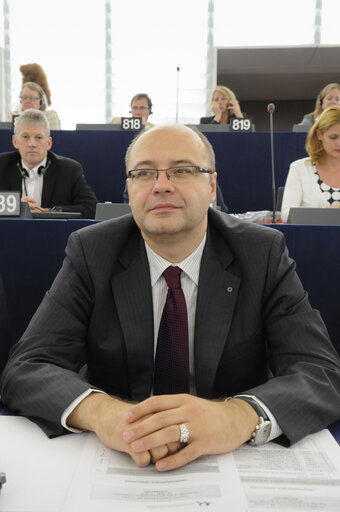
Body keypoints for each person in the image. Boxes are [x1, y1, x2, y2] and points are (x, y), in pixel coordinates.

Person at [1, 124, 340, 473]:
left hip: (231, 459)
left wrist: (238, 416)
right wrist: (105, 414)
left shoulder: (261, 253)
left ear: (211, 186)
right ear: (129, 190)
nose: (161, 185)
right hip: (119, 455)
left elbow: (320, 372)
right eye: (144, 173)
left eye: (182, 170)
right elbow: (28, 366)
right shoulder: (92, 251)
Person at [0, 109, 97, 218]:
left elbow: (92, 208)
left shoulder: (69, 170)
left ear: (49, 143)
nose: (32, 144)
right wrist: (16, 206)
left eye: (39, 137)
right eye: (25, 137)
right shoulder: (2, 165)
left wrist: (49, 211)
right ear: (15, 141)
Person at [281, 105, 340, 222]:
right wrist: (330, 213)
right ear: (319, 135)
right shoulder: (299, 168)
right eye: (333, 137)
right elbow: (287, 215)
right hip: (311, 239)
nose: (339, 143)